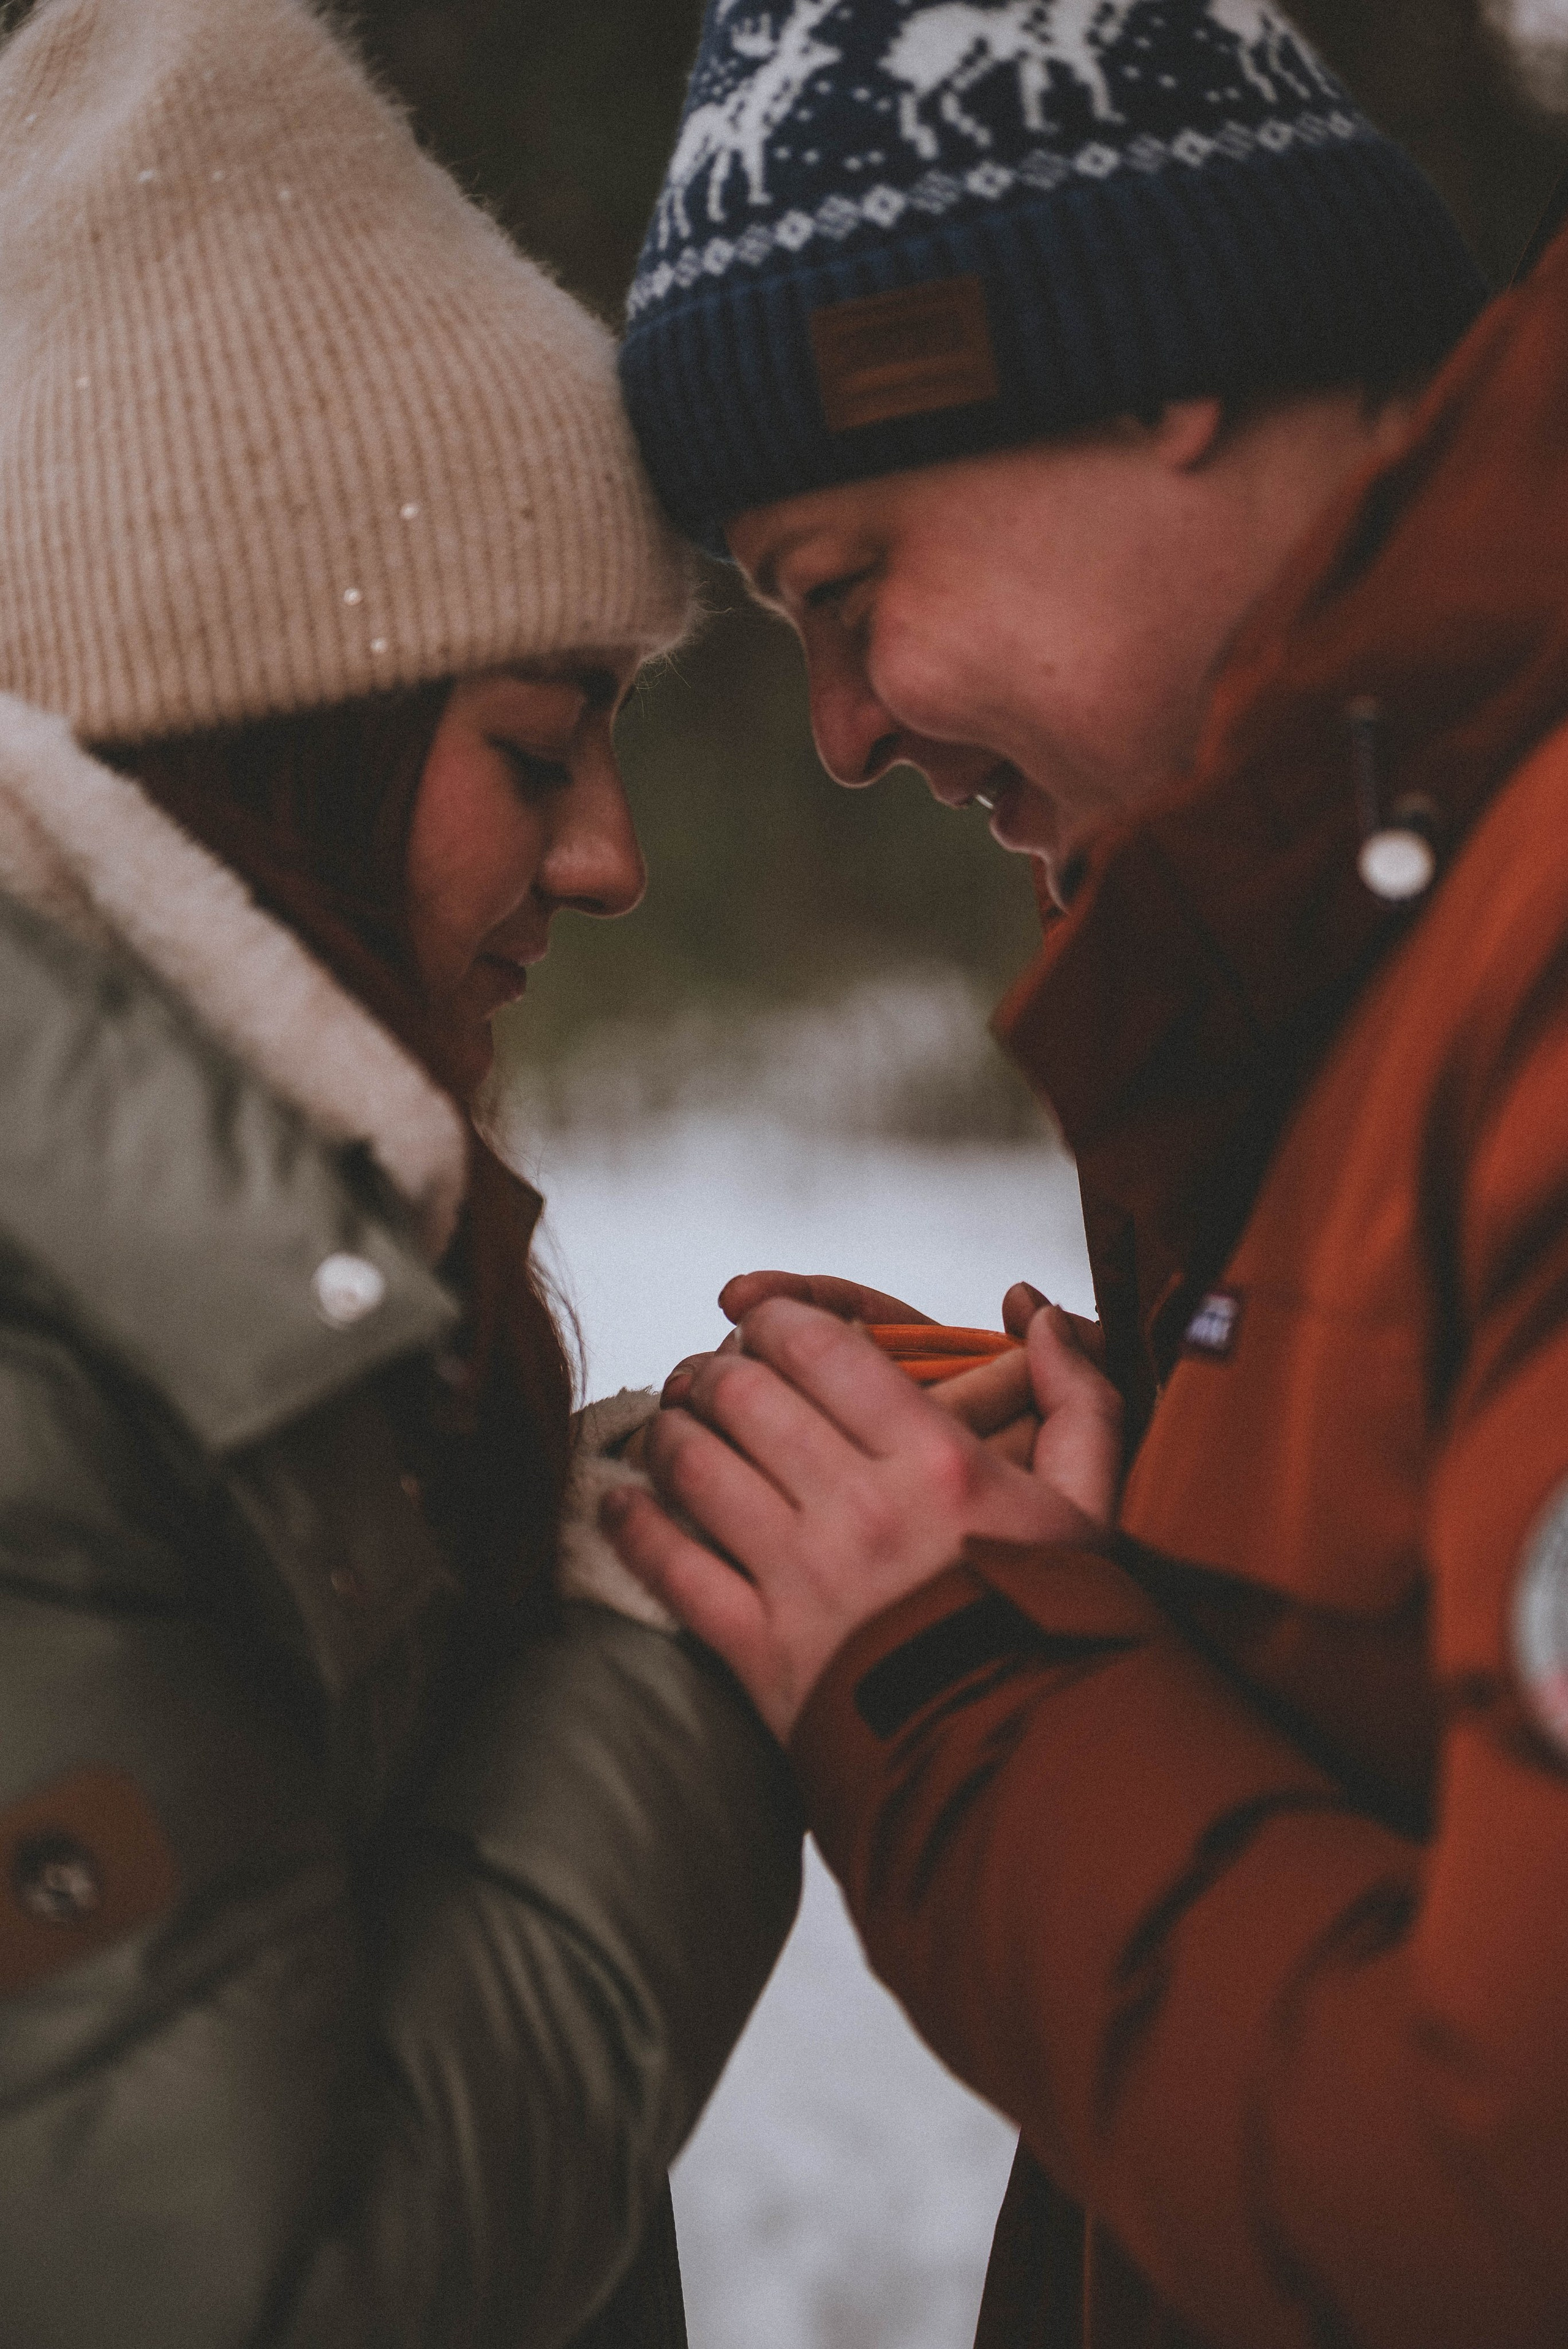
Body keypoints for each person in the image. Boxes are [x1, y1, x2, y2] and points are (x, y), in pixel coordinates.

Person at [608, 1, 1568, 2342]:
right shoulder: (1364, 954)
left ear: (1162, 362)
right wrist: (1153, 1557)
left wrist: (947, 1678)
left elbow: (1509, 2194)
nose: (838, 737)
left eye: (846, 585)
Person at [0, 2, 803, 2344]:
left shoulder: (167, 1274)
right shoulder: (39, 1380)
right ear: (269, 740)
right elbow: (259, 2298)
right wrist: (669, 1667)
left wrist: (585, 1558)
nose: (615, 857)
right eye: (536, 748)